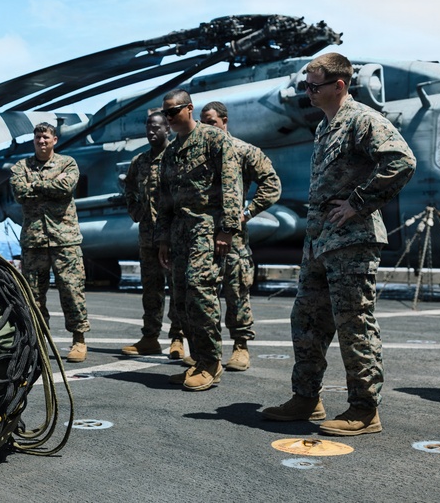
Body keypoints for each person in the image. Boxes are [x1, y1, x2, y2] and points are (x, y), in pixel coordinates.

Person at [262, 52, 415, 436]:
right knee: (307, 320)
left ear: (339, 85)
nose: (307, 92)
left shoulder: (361, 120)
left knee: (354, 324)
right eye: (305, 85)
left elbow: (401, 161)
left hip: (352, 241)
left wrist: (358, 204)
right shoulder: (325, 126)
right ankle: (306, 398)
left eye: (314, 86)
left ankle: (364, 410)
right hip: (320, 241)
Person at [155, 91, 242, 391]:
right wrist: (162, 238)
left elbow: (232, 184)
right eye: (165, 113)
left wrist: (228, 229)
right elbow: (164, 199)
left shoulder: (214, 140)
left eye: (173, 111)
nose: (168, 117)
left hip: (206, 228)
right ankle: (198, 360)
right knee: (181, 298)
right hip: (179, 232)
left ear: (189, 109)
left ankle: (211, 362)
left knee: (200, 291)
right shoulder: (171, 151)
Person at [199, 101, 281, 371]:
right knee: (202, 295)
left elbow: (271, 184)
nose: (205, 127)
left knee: (236, 291)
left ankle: (240, 346)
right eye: (202, 122)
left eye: (210, 122)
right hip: (200, 236)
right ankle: (206, 351)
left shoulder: (243, 150)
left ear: (224, 121)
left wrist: (246, 213)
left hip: (233, 237)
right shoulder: (197, 155)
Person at [10, 123, 91, 363]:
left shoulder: (68, 163)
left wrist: (34, 184)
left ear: (54, 139)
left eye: (46, 137)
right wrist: (49, 185)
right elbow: (19, 193)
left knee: (72, 291)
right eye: (37, 137)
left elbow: (66, 188)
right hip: (34, 241)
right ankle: (38, 341)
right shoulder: (20, 167)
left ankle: (79, 340)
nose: (41, 141)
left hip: (65, 240)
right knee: (34, 296)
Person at [120, 110, 187, 360]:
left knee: (177, 289)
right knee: (151, 290)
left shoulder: (176, 156)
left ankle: (178, 338)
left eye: (157, 127)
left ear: (167, 129)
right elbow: (129, 186)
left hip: (173, 237)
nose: (151, 132)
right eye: (148, 127)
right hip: (147, 237)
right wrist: (134, 209)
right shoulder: (140, 161)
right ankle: (150, 338)